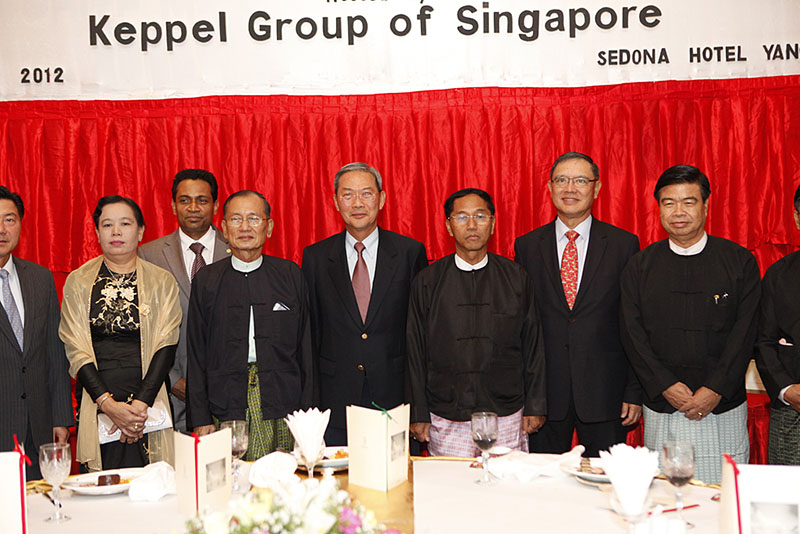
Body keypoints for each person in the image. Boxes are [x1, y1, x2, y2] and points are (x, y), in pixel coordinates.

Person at [620, 165, 760, 484]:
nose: (678, 211)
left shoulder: (739, 262)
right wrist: (665, 384)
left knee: (723, 495)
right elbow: (632, 334)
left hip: (722, 405)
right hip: (663, 403)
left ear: (706, 205)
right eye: (669, 203)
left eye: (688, 201)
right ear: (658, 208)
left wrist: (715, 388)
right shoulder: (640, 266)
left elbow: (746, 333)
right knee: (665, 495)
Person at [515, 152, 642, 457]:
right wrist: (527, 397)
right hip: (545, 396)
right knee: (545, 480)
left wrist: (633, 390)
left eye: (581, 180)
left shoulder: (623, 244)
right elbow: (523, 325)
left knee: (604, 481)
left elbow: (634, 323)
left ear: (597, 188)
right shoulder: (527, 246)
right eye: (562, 180)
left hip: (607, 393)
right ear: (550, 187)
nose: (570, 188)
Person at [406, 188, 546, 456]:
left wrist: (536, 406)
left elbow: (533, 345)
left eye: (480, 216)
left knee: (505, 482)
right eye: (462, 217)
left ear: (492, 223)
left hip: (506, 413)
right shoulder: (427, 281)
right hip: (446, 413)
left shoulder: (515, 277)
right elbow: (415, 350)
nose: (472, 225)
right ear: (448, 226)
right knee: (452, 483)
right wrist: (418, 412)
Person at [302, 163, 427, 446]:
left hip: (395, 396)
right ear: (336, 202)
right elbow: (311, 333)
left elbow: (420, 332)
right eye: (348, 195)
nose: (357, 203)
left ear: (381, 199)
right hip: (335, 399)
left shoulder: (409, 252)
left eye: (366, 194)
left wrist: (419, 404)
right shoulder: (316, 257)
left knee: (394, 473)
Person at [186, 190, 313, 460]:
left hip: (283, 401)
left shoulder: (289, 275)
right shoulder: (207, 280)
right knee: (232, 479)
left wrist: (309, 416)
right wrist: (200, 416)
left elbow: (307, 349)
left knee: (285, 477)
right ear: (224, 228)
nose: (245, 227)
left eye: (254, 219)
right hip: (226, 402)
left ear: (269, 227)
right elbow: (196, 353)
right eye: (236, 219)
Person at [60, 195, 180, 472]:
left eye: (125, 224)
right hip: (98, 401)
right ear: (96, 232)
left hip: (149, 404)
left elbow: (166, 346)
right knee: (103, 489)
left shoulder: (162, 281)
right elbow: (75, 349)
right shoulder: (78, 281)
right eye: (107, 225)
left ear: (140, 231)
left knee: (153, 486)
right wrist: (109, 405)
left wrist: (139, 406)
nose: (116, 231)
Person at [139, 169, 230, 433]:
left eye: (202, 200)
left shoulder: (236, 248)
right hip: (170, 393)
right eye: (184, 200)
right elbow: (144, 329)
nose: (193, 207)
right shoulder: (149, 254)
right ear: (173, 206)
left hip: (228, 392)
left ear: (215, 206)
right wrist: (171, 379)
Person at [0, 186, 73, 480]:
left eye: (9, 219)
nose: (2, 229)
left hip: (38, 427)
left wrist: (61, 417)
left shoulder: (40, 278)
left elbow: (54, 352)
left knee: (39, 504)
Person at [756, 183, 800, 464]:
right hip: (792, 412)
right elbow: (764, 341)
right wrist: (787, 390)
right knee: (787, 489)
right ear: (796, 218)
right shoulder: (779, 275)